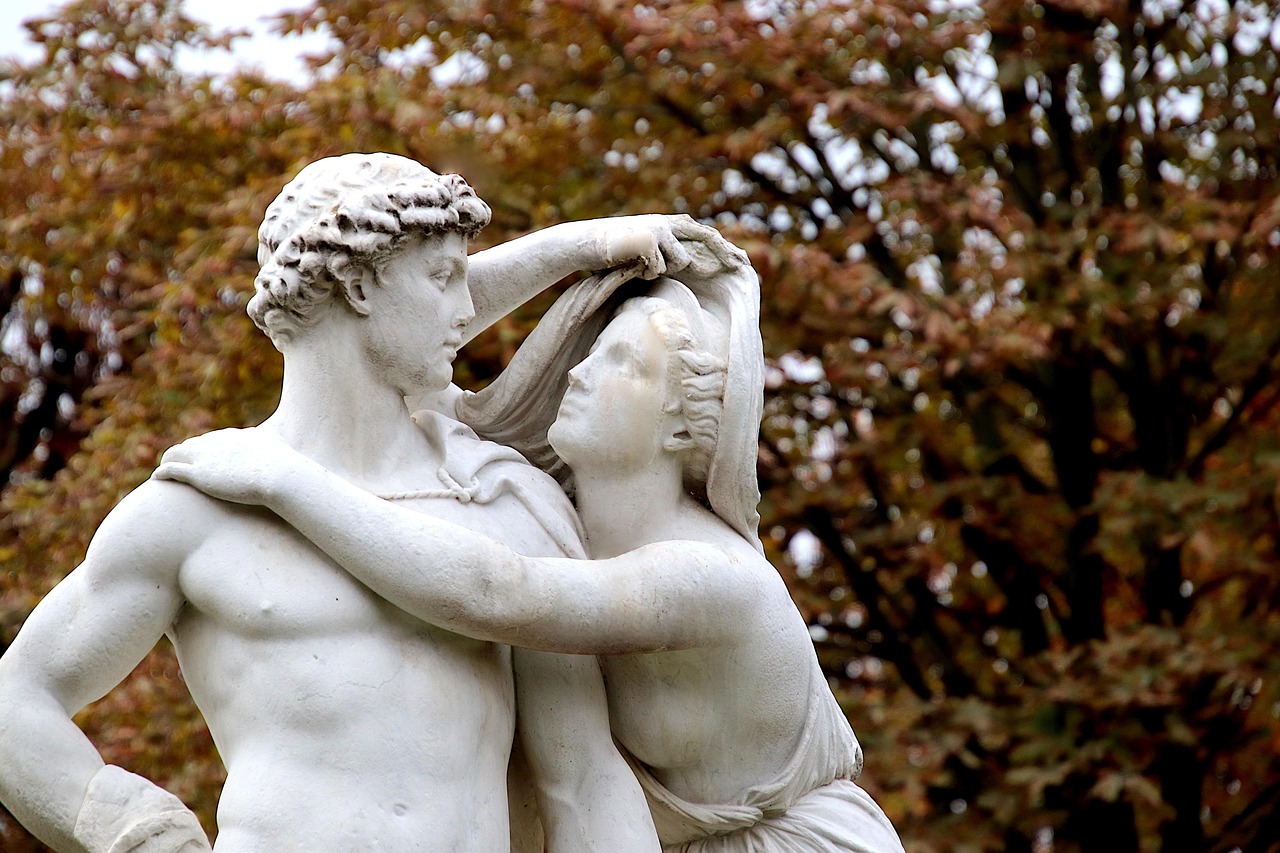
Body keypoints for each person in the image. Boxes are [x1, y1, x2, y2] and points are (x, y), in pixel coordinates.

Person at [0, 152, 731, 851]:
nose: (468, 303)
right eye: (443, 276)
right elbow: (14, 703)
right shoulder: (201, 505)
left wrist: (596, 243)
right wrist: (131, 826)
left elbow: (583, 783)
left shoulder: (508, 503)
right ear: (357, 286)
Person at [155, 250, 907, 851]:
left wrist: (287, 482)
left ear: (686, 428)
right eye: (593, 354)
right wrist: (586, 247)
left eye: (623, 365)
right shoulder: (541, 507)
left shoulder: (708, 573)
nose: (578, 373)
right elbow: (392, 326)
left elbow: (500, 595)